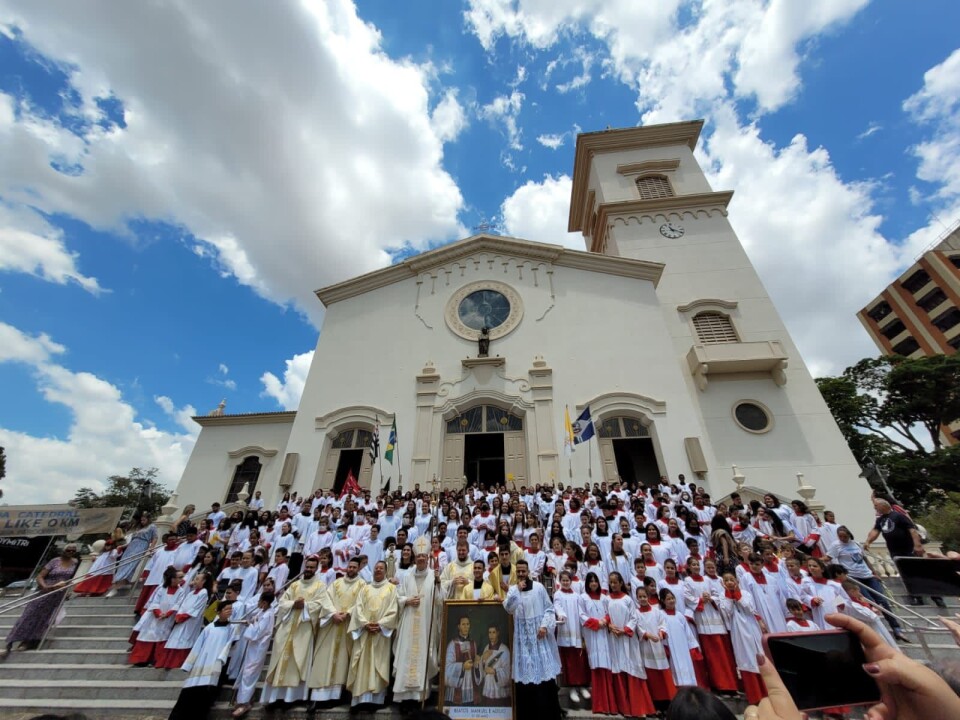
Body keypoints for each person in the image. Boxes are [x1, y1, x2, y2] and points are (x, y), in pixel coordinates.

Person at [262, 556, 330, 707]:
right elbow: (282, 602)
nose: (309, 570)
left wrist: (304, 605)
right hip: (287, 627)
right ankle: (275, 697)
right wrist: (294, 603)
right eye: (307, 567)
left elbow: (320, 605)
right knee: (280, 660)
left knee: (297, 660)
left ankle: (292, 697)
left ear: (316, 568)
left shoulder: (320, 586)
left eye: (312, 567)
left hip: (304, 628)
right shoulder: (294, 585)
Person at [503, 559, 562, 720]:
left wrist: (544, 626)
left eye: (524, 571)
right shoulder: (513, 590)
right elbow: (508, 608)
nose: (521, 574)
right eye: (519, 572)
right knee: (525, 680)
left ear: (528, 572)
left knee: (543, 678)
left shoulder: (539, 588)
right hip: (523, 641)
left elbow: (549, 608)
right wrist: (516, 593)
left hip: (539, 637)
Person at [827, 525, 906, 642]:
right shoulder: (836, 545)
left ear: (849, 534)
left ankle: (896, 627)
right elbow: (828, 557)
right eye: (840, 536)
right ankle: (879, 632)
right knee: (869, 602)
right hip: (854, 577)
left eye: (845, 536)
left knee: (882, 601)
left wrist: (874, 571)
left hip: (868, 575)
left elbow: (864, 559)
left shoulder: (856, 544)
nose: (843, 538)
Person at [863, 498, 945, 607]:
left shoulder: (898, 516)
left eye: (876, 506)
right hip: (895, 551)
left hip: (908, 549)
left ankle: (936, 598)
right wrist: (868, 541)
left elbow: (912, 530)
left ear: (884, 506)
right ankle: (916, 597)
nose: (875, 508)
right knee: (906, 574)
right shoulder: (880, 520)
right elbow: (875, 531)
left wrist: (917, 545)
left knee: (921, 572)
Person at [1, 544, 79, 655]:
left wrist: (68, 589)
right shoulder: (55, 561)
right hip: (45, 591)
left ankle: (29, 642)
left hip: (58, 594)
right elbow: (40, 576)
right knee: (30, 615)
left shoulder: (75, 562)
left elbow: (70, 578)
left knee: (45, 618)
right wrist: (45, 587)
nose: (70, 552)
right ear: (63, 550)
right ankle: (10, 643)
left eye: (73, 551)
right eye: (68, 550)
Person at [167, 599, 234, 720]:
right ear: (218, 612)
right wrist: (188, 664)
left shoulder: (231, 629)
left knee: (205, 697)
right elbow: (197, 646)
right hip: (200, 664)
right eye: (226, 609)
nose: (229, 611)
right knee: (188, 694)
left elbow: (229, 646)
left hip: (215, 664)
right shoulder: (209, 628)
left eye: (231, 609)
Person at [392, 537, 440, 706]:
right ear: (415, 559)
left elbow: (439, 601)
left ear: (428, 558)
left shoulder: (434, 578)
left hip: (426, 624)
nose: (421, 559)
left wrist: (439, 584)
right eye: (418, 557)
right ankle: (404, 699)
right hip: (409, 622)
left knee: (422, 656)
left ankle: (420, 698)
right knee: (406, 653)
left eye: (424, 557)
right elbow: (398, 596)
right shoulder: (407, 576)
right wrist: (407, 601)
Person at [347, 560, 399, 709]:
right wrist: (365, 624)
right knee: (362, 664)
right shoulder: (365, 588)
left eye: (381, 568)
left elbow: (393, 610)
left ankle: (375, 700)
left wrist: (380, 624)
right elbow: (358, 608)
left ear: (386, 571)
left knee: (378, 665)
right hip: (365, 632)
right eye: (376, 568)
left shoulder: (391, 589)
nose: (378, 570)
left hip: (380, 634)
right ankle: (358, 700)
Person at [718, 573, 766, 705]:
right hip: (738, 631)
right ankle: (755, 696)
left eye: (731, 580)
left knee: (758, 656)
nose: (729, 582)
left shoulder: (745, 593)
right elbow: (726, 611)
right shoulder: (723, 596)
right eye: (726, 580)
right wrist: (729, 595)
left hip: (752, 628)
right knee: (745, 659)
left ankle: (766, 693)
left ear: (737, 581)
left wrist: (737, 594)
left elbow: (749, 607)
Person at [230, 590, 276, 718]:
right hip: (252, 647)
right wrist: (251, 622)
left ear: (265, 602)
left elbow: (257, 633)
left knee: (250, 673)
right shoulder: (262, 611)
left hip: (258, 648)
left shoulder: (268, 615)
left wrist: (250, 625)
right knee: (246, 672)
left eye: (260, 601)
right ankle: (245, 698)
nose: (258, 603)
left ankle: (244, 703)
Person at [155, 570, 211, 669]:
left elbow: (196, 608)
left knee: (184, 640)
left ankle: (176, 663)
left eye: (197, 579)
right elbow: (183, 605)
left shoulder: (204, 592)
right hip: (181, 619)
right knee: (175, 639)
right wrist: (178, 615)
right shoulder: (191, 593)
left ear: (204, 581)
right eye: (195, 578)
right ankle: (166, 662)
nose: (195, 581)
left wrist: (184, 616)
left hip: (190, 621)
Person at [129, 566, 184, 666]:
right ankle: (141, 660)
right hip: (155, 617)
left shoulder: (181, 591)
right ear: (172, 579)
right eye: (179, 578)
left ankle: (155, 660)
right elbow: (155, 602)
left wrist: (167, 615)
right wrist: (158, 613)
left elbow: (178, 605)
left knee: (161, 638)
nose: (181, 580)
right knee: (148, 636)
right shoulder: (161, 588)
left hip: (167, 618)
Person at [553, 570, 589, 704]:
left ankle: (581, 686)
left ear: (571, 581)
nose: (566, 583)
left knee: (579, 661)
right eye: (563, 580)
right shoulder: (558, 594)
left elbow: (581, 612)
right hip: (565, 630)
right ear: (560, 581)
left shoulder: (577, 596)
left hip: (577, 631)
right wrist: (561, 614)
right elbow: (557, 606)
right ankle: (572, 688)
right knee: (569, 661)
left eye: (568, 580)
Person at [109, 513, 158, 596]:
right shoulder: (138, 528)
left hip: (142, 545)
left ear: (148, 519)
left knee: (131, 564)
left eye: (144, 520)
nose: (142, 522)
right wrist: (123, 546)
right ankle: (117, 584)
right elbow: (132, 540)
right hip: (131, 546)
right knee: (123, 564)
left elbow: (155, 537)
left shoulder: (152, 526)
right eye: (141, 520)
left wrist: (151, 547)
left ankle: (118, 585)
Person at [445, 615, 479, 705]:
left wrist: (477, 664)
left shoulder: (473, 643)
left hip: (470, 687)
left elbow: (476, 666)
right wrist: (462, 666)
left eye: (468, 624)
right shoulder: (452, 644)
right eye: (463, 624)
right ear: (458, 626)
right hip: (456, 689)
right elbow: (447, 667)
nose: (466, 627)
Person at [476, 625, 511, 706]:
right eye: (489, 633)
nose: (491, 635)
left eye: (493, 632)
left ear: (498, 633)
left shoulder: (504, 650)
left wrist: (494, 671)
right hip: (488, 689)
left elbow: (508, 672)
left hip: (499, 692)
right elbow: (482, 670)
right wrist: (482, 659)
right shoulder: (486, 648)